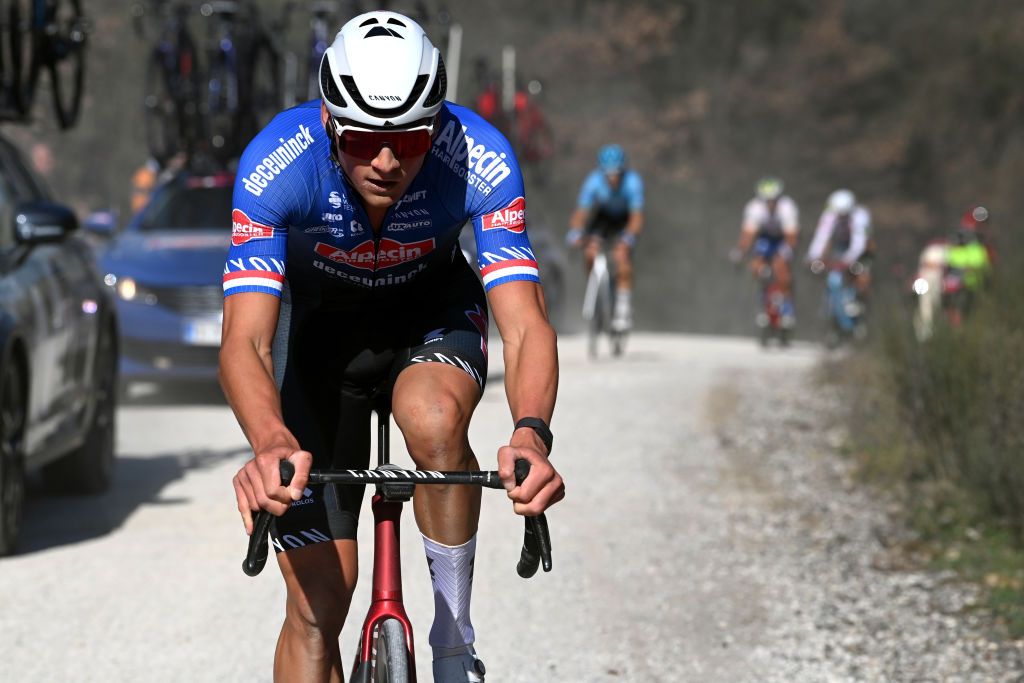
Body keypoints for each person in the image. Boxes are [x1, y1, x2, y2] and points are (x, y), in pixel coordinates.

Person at [221, 11, 564, 683]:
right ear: (329, 121)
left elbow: (525, 324)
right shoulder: (277, 162)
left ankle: (454, 643)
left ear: (434, 125)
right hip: (319, 336)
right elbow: (245, 339)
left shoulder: (478, 154)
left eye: (408, 141)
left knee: (434, 420)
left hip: (428, 317)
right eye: (363, 140)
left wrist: (531, 433)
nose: (386, 161)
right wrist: (269, 440)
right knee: (317, 606)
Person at [566, 144, 644, 331]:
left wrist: (628, 238)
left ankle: (623, 308)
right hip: (603, 219)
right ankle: (595, 287)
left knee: (621, 256)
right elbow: (581, 212)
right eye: (608, 174)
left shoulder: (633, 182)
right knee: (590, 252)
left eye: (616, 174)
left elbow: (636, 217)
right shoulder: (593, 181)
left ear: (623, 171)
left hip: (624, 220)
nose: (612, 178)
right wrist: (576, 231)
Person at [730, 176, 799, 328]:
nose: (770, 204)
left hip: (783, 239)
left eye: (774, 200)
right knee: (756, 267)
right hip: (765, 238)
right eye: (767, 200)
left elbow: (791, 237)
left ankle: (787, 311)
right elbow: (748, 234)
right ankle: (763, 303)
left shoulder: (787, 207)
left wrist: (784, 254)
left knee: (781, 269)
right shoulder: (754, 208)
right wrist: (740, 251)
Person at [807, 188, 873, 298]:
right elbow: (821, 237)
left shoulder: (861, 216)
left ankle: (861, 299)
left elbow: (859, 244)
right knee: (832, 275)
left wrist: (846, 261)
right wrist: (813, 256)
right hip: (840, 246)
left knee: (862, 277)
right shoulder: (830, 214)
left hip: (862, 250)